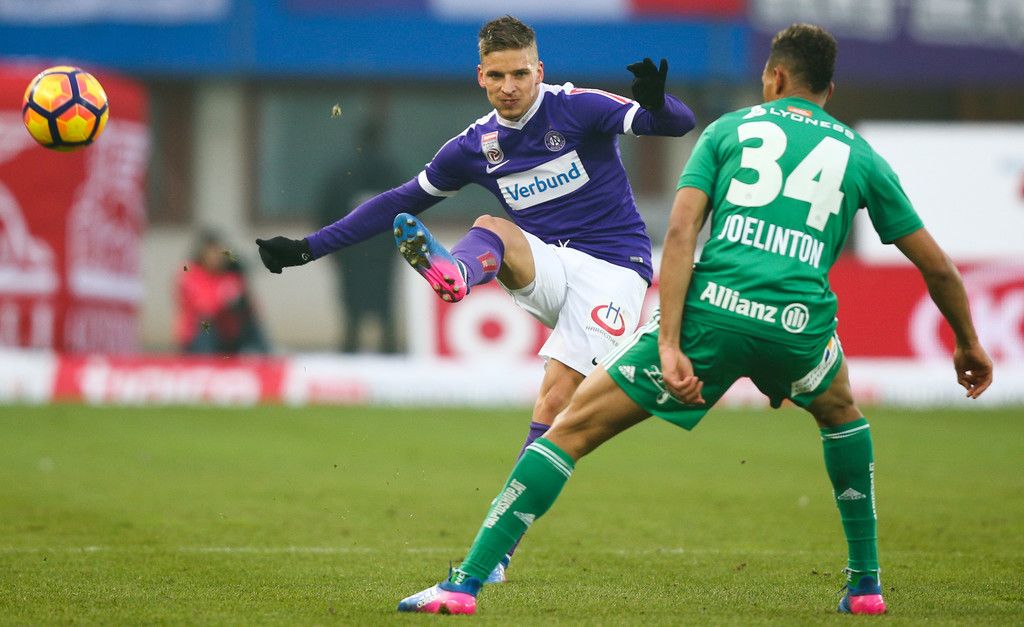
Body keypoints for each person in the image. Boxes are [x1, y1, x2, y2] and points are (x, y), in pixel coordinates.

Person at [395, 23, 994, 616]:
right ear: (829, 91)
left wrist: (670, 341)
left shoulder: (729, 130)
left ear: (774, 77)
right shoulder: (860, 155)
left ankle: (464, 586)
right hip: (799, 324)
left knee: (567, 430)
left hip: (712, 315)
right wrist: (968, 343)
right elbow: (938, 267)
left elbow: (682, 234)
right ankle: (865, 586)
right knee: (842, 416)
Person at [255, 15, 696, 582]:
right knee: (492, 226)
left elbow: (676, 125)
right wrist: (308, 248)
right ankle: (458, 274)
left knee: (553, 406)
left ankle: (497, 559)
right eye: (497, 76)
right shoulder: (474, 145)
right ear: (480, 77)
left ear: (539, 71)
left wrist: (658, 103)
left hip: (615, 272)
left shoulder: (577, 108)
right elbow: (396, 202)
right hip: (549, 264)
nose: (509, 87)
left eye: (520, 74)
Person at [317, 120, 403, 353]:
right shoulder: (392, 173)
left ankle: (350, 348)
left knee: (352, 308)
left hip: (350, 251)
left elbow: (325, 213)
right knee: (384, 304)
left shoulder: (341, 173)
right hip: (383, 252)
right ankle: (389, 351)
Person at [176, 230, 269, 354]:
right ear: (202, 253)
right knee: (206, 325)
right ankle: (206, 361)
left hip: (227, 333)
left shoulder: (231, 273)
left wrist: (242, 302)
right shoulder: (189, 271)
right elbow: (204, 307)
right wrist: (224, 297)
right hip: (197, 337)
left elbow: (253, 307)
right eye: (213, 252)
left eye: (220, 252)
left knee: (250, 324)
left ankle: (268, 358)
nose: (217, 257)